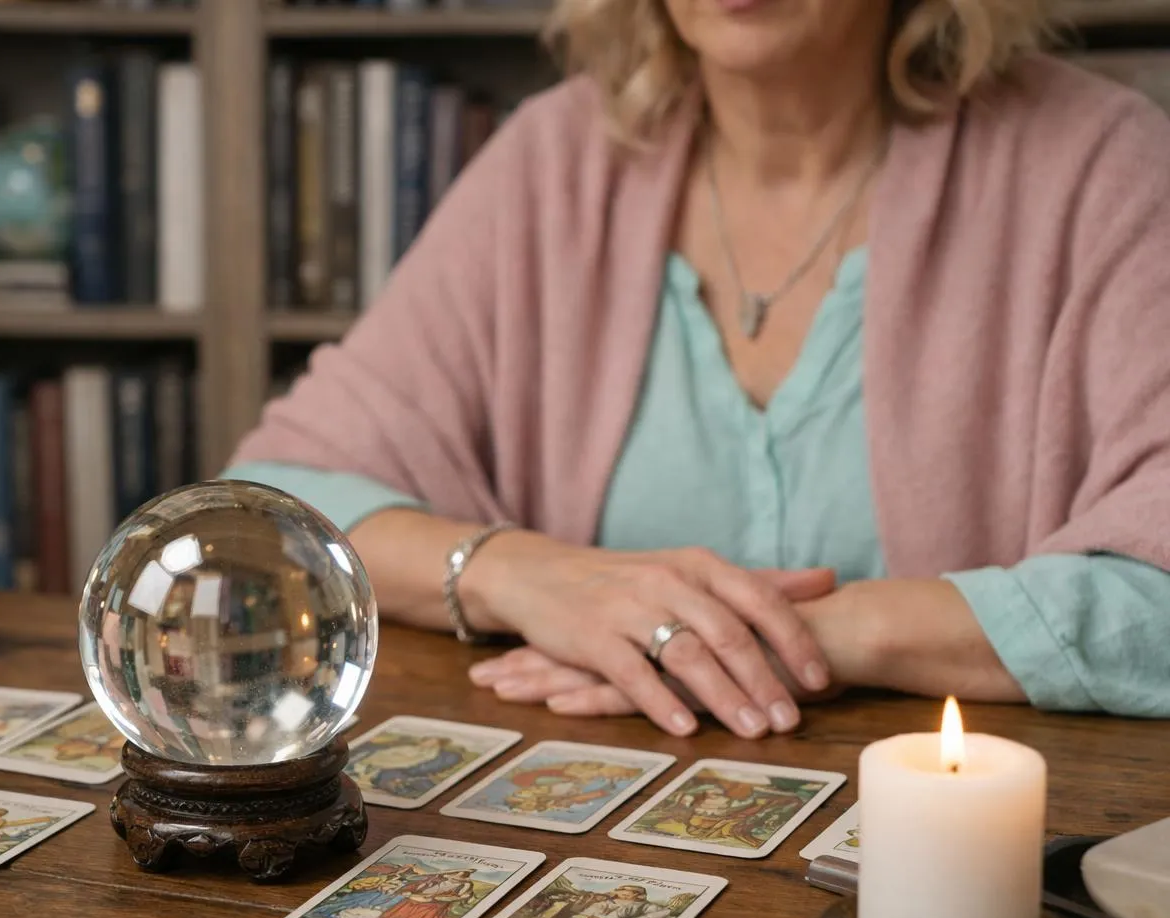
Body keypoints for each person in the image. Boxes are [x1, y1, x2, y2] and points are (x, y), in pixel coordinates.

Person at [228, 0, 1170, 738]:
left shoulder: (1100, 162)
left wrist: (812, 634)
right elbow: (266, 505)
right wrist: (526, 575)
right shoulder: (555, 160)